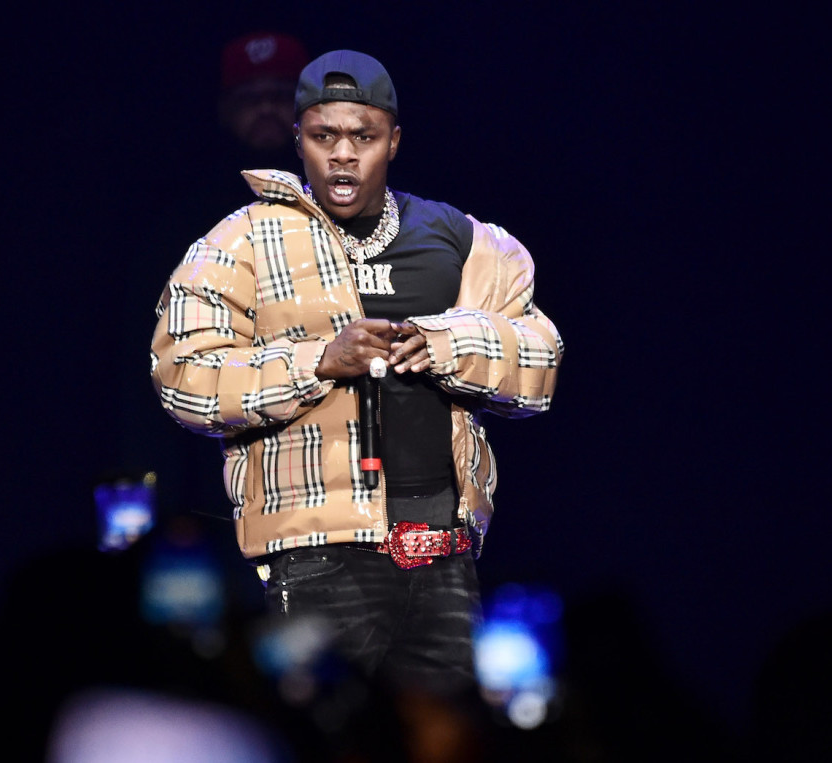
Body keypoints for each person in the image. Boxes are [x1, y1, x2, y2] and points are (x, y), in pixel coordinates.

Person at [149, 50, 563, 694]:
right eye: (323, 136)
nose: (343, 155)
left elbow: (540, 358)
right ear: (299, 140)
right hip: (315, 554)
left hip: (444, 553)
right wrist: (319, 361)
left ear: (393, 141)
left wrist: (451, 343)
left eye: (363, 137)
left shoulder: (459, 238)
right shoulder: (241, 241)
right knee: (326, 743)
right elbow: (184, 377)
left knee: (449, 748)